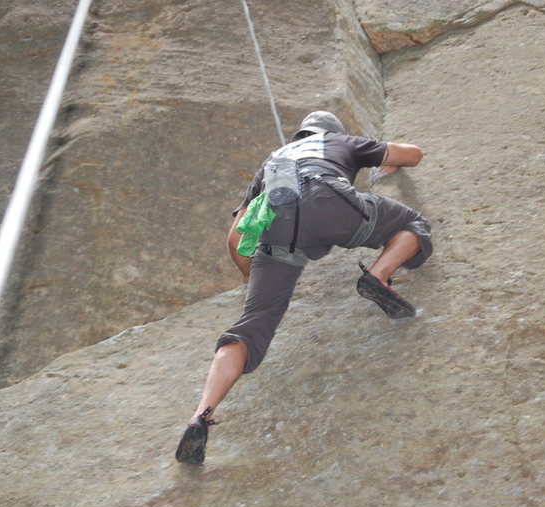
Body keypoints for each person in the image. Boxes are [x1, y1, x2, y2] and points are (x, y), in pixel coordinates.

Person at [176, 111, 432, 464]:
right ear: (331, 131)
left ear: (300, 135)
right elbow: (412, 153)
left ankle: (201, 415)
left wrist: (251, 278)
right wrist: (386, 165)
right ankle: (377, 276)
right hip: (327, 200)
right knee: (412, 223)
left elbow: (237, 237)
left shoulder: (272, 161)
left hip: (277, 230)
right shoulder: (338, 142)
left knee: (251, 326)